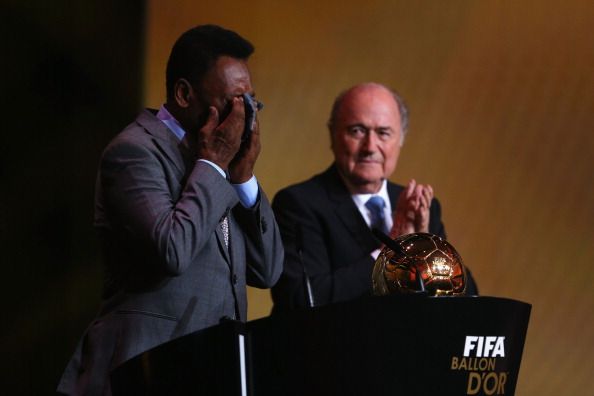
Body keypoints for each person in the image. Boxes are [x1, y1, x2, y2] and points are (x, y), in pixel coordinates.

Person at [58, 25, 284, 395]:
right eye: (232, 102)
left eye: (250, 104)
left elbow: (269, 269)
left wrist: (243, 180)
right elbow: (171, 251)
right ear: (183, 94)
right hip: (143, 373)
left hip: (212, 371)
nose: (242, 118)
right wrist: (213, 166)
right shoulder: (134, 152)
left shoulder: (221, 160)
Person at [271, 82, 477, 311]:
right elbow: (303, 299)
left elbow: (467, 299)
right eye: (357, 131)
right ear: (333, 135)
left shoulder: (421, 207)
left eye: (383, 133)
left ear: (400, 139)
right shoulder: (299, 204)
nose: (370, 146)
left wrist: (424, 250)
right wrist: (390, 253)